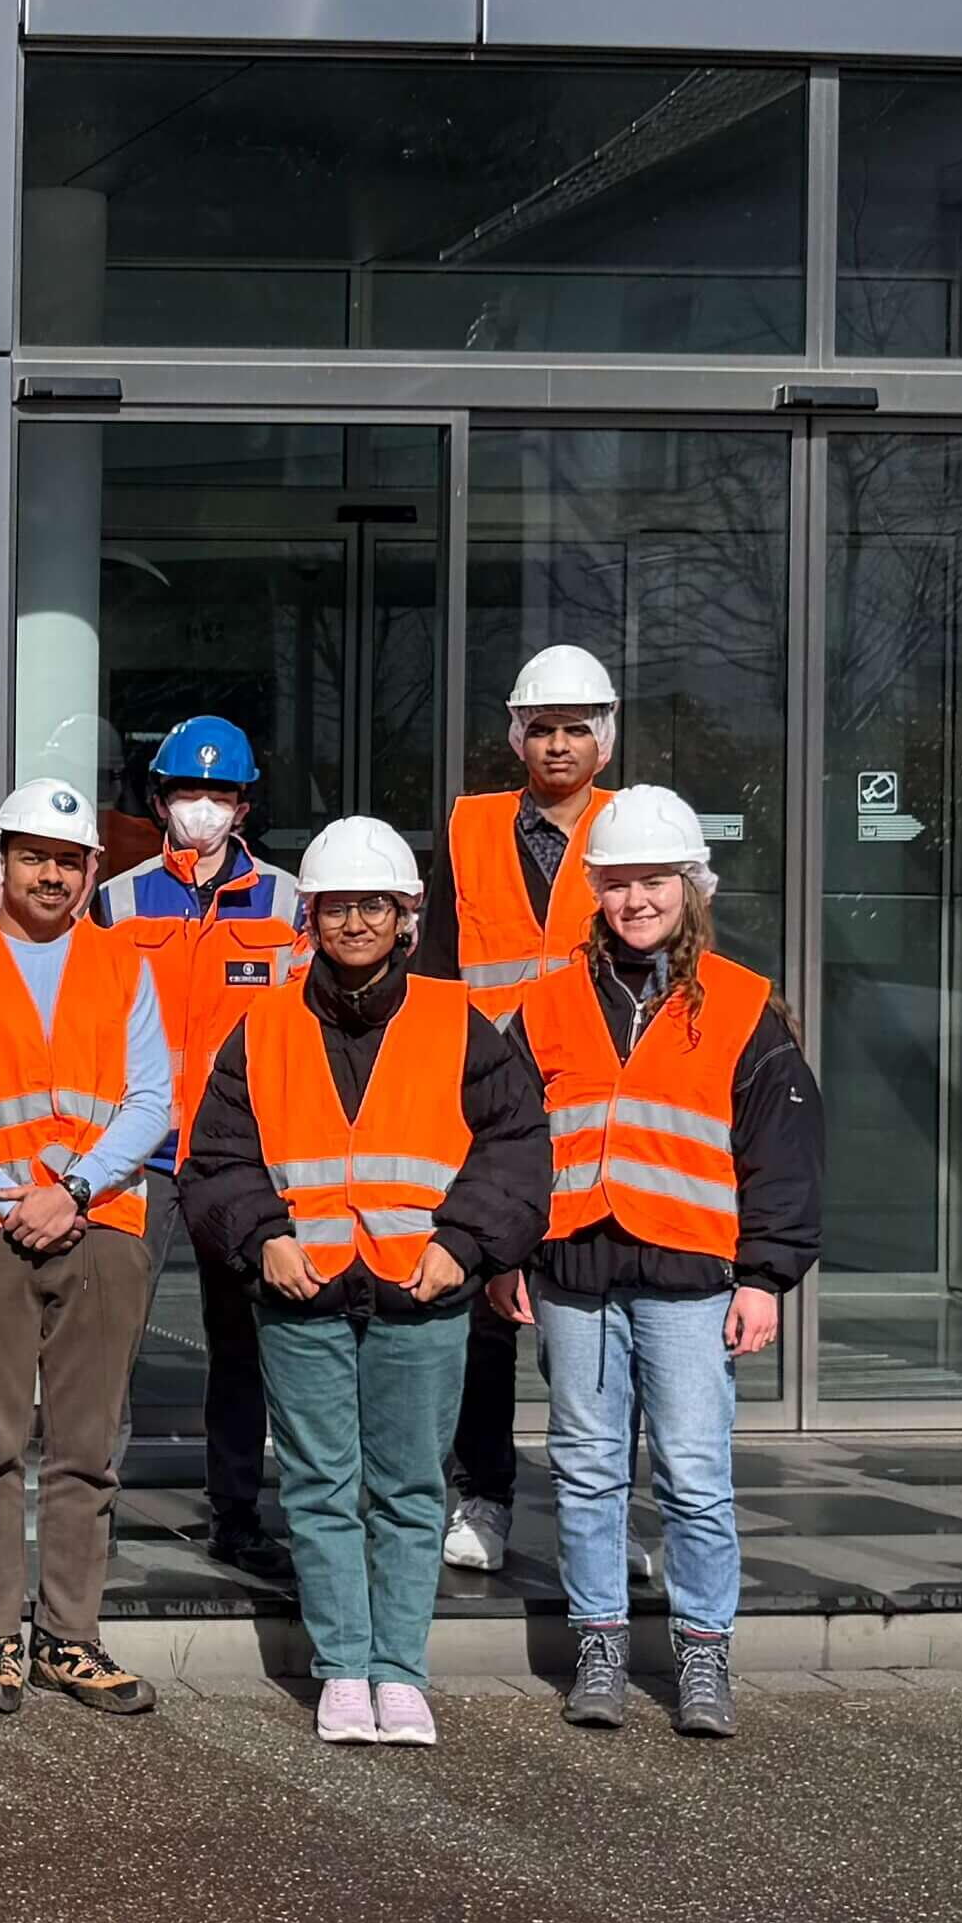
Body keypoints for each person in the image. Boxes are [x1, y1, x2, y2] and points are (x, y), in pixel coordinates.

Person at [178, 818, 549, 1747]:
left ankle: (401, 1672)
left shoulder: (457, 1023)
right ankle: (344, 1667)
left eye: (370, 905)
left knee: (410, 1488)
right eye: (336, 905)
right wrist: (261, 1236)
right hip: (301, 1292)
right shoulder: (260, 1028)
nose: (353, 921)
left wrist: (465, 1243)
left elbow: (517, 1150)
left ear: (405, 917)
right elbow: (217, 1158)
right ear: (310, 917)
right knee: (317, 1485)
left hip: (422, 1294)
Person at [501, 789, 819, 1739]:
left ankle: (702, 1655)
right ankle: (598, 1643)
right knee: (588, 1467)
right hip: (575, 1271)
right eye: (618, 882)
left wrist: (765, 1275)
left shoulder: (743, 1005)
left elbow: (786, 1154)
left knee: (692, 1473)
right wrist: (506, 1253)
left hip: (689, 1279)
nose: (636, 898)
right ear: (594, 890)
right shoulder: (546, 1001)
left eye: (654, 880)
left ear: (691, 887)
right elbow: (511, 1142)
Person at [0, 778, 171, 1718]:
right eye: (34, 856)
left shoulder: (125, 964)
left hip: (101, 1227)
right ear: (1, 862)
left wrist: (76, 1190)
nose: (51, 873)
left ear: (93, 869)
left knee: (88, 1448)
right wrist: (12, 1195)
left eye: (68, 859)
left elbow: (151, 1102)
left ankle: (68, 1638)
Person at [423, 642, 621, 1575]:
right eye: (540, 728)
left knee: (598, 1312)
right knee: (487, 1309)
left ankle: (603, 1523)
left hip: (599, 1098)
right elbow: (435, 969)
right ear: (516, 738)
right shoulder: (469, 830)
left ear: (604, 742)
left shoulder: (634, 832)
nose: (556, 745)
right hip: (489, 1102)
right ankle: (484, 1495)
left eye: (575, 729)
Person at [92, 715, 306, 1578]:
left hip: (236, 1158)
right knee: (109, 1336)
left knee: (240, 1338)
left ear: (244, 803)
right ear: (159, 800)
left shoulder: (288, 904)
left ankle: (236, 1511)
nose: (203, 808)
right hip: (138, 1152)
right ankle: (91, 1510)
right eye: (188, 792)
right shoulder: (116, 898)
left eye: (218, 794)